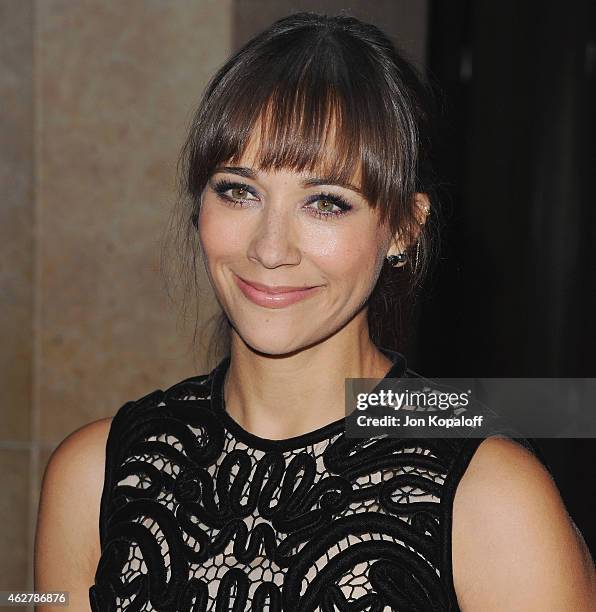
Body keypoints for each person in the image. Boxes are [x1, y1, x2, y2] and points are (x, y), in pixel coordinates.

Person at [34, 11, 595, 612]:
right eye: (238, 191)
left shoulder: (490, 498)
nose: (270, 249)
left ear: (405, 226)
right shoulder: (96, 475)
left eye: (326, 202)